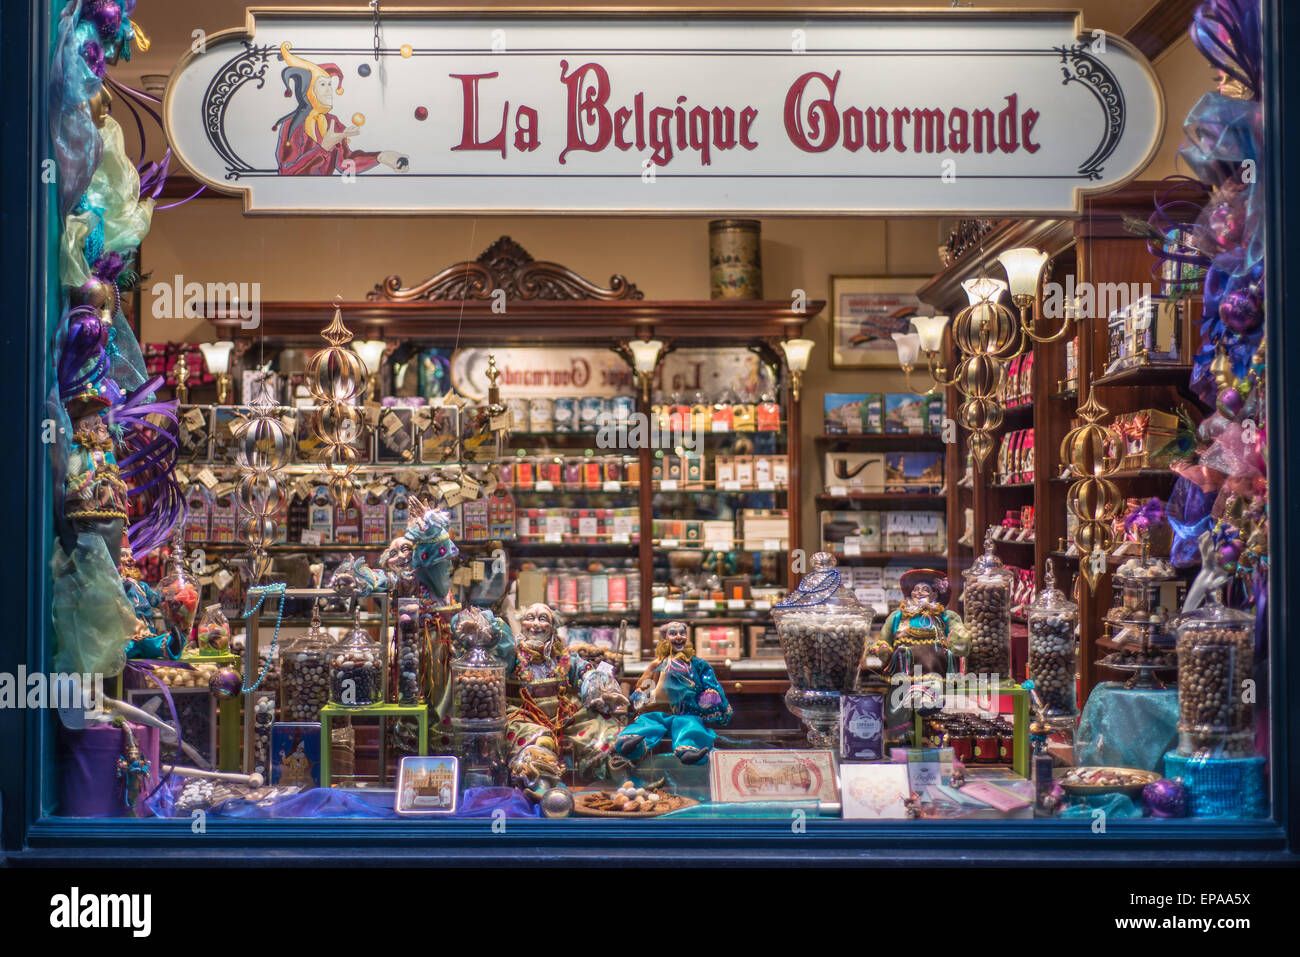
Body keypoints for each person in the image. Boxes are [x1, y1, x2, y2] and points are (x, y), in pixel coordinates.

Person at [273, 42, 409, 176]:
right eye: (322, 84)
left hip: (329, 194)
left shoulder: (332, 121)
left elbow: (345, 164)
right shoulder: (292, 125)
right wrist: (323, 149)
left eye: (329, 84)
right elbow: (287, 172)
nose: (329, 90)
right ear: (308, 91)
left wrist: (380, 157)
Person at [615, 620, 732, 765]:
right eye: (673, 633)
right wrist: (641, 697)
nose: (678, 637)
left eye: (682, 633)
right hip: (657, 712)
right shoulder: (657, 664)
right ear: (665, 638)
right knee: (646, 723)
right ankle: (631, 743)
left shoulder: (697, 664)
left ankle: (689, 751)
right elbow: (646, 685)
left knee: (691, 726)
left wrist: (709, 695)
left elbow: (709, 682)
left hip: (687, 713)